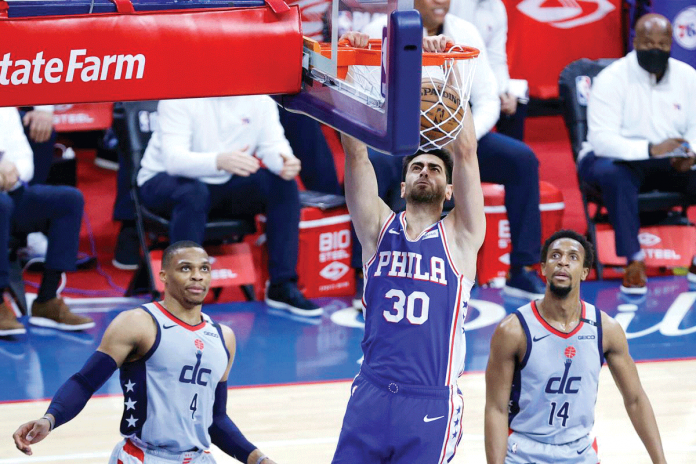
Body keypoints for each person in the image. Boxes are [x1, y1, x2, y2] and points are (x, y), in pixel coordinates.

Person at [332, 32, 485, 463]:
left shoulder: (461, 237)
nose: (424, 172)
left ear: (449, 190)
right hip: (371, 393)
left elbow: (467, 151)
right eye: (417, 166)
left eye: (435, 169)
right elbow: (355, 152)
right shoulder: (377, 228)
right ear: (401, 184)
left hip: (430, 402)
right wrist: (354, 65)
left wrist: (448, 66)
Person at [12, 241, 278, 464]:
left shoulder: (224, 338)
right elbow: (85, 381)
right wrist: (50, 419)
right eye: (186, 268)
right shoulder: (138, 323)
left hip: (200, 458)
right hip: (143, 457)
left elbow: (215, 419)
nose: (197, 276)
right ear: (163, 276)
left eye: (204, 269)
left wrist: (258, 458)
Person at [361, 1, 546, 300]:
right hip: (399, 141)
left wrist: (461, 141)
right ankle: (372, 272)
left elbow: (488, 101)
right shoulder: (379, 32)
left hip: (453, 136)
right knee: (373, 164)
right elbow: (366, 100)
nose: (441, 2)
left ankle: (522, 269)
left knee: (522, 161)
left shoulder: (466, 33)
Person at [484, 229, 667, 464]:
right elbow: (496, 409)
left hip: (579, 452)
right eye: (555, 256)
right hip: (523, 452)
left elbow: (635, 399)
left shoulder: (606, 329)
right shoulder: (512, 331)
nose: (562, 261)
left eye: (573, 257)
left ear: (584, 272)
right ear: (543, 268)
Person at [136, 96, 322, 316]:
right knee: (193, 192)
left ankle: (282, 285)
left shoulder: (260, 99)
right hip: (162, 180)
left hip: (223, 181)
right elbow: (174, 160)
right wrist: (218, 160)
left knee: (282, 185)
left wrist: (284, 162)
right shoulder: (180, 98)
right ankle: (181, 295)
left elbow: (273, 145)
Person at [578, 13, 696, 295]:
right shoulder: (611, 78)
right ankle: (634, 260)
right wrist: (650, 150)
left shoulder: (688, 76)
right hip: (616, 159)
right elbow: (602, 139)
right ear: (634, 43)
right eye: (647, 43)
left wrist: (690, 152)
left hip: (670, 160)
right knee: (615, 175)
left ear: (670, 45)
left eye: (662, 44)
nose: (655, 49)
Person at [0, 107, 92, 337]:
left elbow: (25, 162)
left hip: (9, 190)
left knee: (68, 200)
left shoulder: (5, 105)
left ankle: (47, 299)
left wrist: (11, 172)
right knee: (1, 205)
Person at [448, 0, 527, 141]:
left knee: (515, 98)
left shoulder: (497, 7)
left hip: (478, 78)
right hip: (449, 77)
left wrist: (502, 91)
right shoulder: (450, 4)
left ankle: (498, 156)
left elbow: (496, 58)